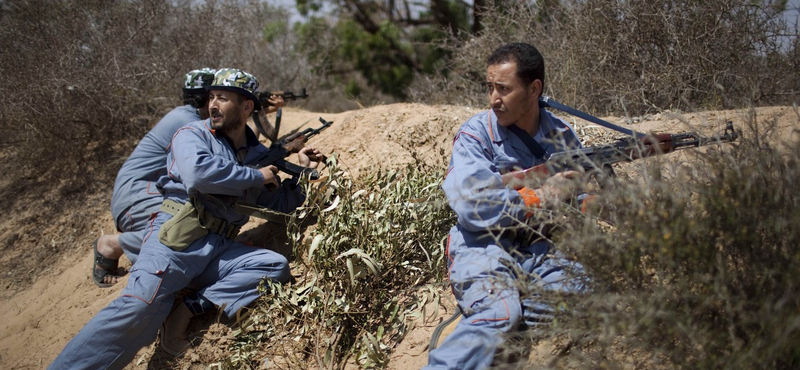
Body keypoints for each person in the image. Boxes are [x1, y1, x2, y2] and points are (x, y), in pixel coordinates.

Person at [49, 68, 322, 369]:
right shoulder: (192, 134)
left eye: (223, 98)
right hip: (177, 239)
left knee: (272, 266)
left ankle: (187, 309)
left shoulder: (255, 152)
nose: (213, 104)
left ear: (246, 107)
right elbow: (197, 176)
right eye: (212, 97)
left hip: (218, 247)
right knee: (139, 308)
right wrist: (256, 176)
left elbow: (280, 204)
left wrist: (303, 173)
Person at [423, 43, 587, 370]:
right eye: (490, 87)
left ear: (534, 89)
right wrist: (539, 198)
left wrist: (587, 204)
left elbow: (576, 191)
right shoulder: (475, 134)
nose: (493, 98)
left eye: (503, 89)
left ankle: (506, 339)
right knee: (499, 312)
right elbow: (473, 207)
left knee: (587, 293)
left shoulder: (561, 135)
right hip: (481, 245)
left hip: (539, 246)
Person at [93, 68, 285, 288]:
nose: (216, 104)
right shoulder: (187, 122)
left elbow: (237, 157)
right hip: (138, 193)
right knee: (185, 221)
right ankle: (112, 245)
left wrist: (250, 113)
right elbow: (213, 171)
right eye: (213, 96)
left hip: (145, 190)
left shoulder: (188, 117)